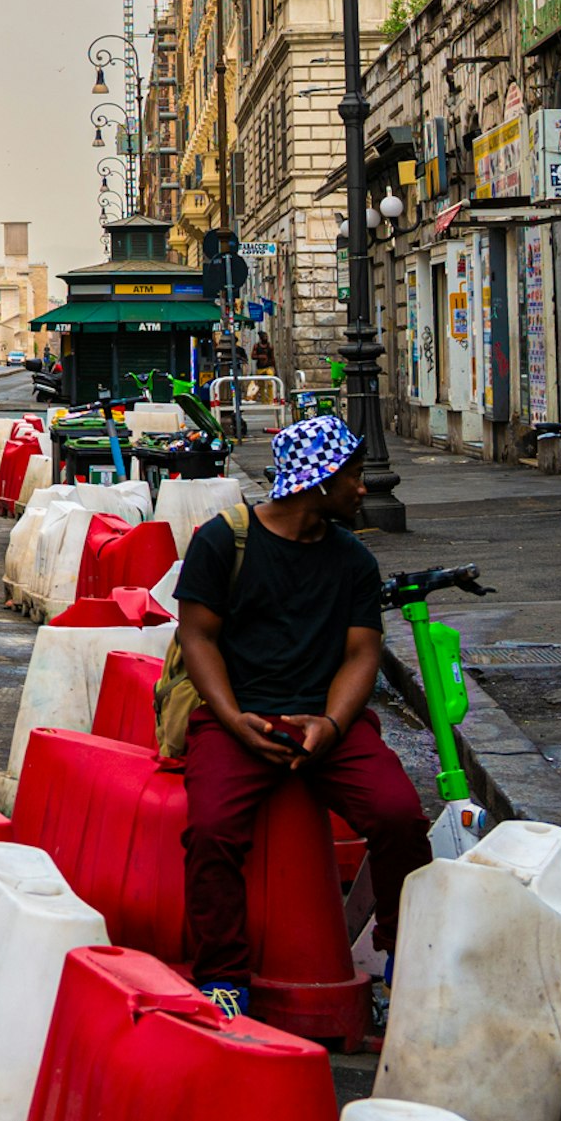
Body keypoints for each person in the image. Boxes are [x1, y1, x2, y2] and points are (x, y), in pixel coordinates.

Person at [168, 416, 431, 1022]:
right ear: (318, 484)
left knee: (398, 815)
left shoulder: (354, 561)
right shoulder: (220, 542)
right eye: (355, 478)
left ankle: (402, 957)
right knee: (210, 831)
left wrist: (333, 726)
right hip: (238, 720)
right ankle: (224, 977)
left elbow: (362, 652)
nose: (364, 490)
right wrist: (234, 721)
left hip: (330, 724)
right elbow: (198, 638)